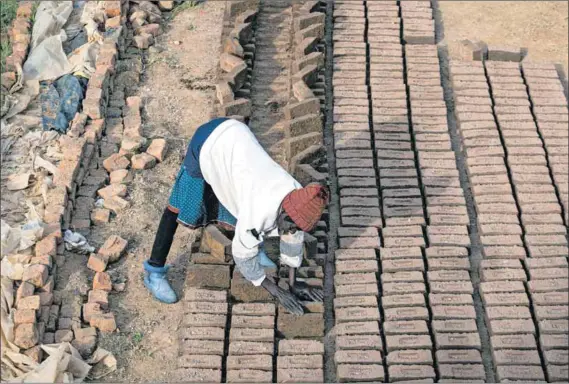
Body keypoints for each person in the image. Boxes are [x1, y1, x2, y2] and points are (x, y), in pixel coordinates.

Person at [143, 117, 329, 314]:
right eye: (289, 226)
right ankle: (154, 271)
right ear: (283, 210)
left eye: (295, 228)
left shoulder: (299, 197)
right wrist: (276, 291)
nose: (290, 231)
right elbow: (241, 256)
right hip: (208, 143)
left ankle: (256, 247)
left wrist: (294, 284)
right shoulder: (259, 210)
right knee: (180, 204)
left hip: (236, 142)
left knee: (235, 202)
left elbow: (293, 237)